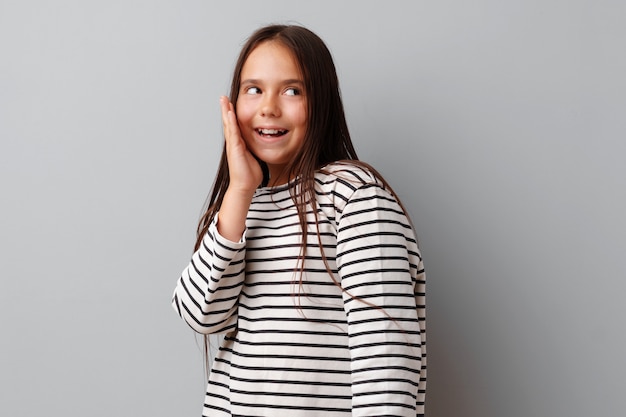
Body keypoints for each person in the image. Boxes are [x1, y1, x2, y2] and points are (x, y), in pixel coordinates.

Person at [172, 24, 426, 417]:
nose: (269, 108)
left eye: (292, 91)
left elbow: (386, 365)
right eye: (253, 89)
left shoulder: (352, 197)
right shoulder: (239, 208)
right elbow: (200, 314)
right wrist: (239, 191)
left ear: (321, 103)